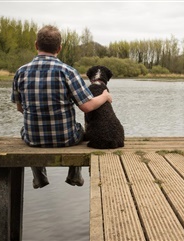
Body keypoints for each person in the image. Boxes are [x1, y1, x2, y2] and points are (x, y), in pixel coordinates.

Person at [11, 25, 112, 188]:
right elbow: (87, 106)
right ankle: (74, 174)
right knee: (79, 128)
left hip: (33, 139)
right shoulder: (68, 71)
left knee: (24, 130)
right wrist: (105, 96)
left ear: (36, 45)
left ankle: (39, 174)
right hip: (66, 139)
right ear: (59, 48)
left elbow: (20, 108)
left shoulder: (20, 72)